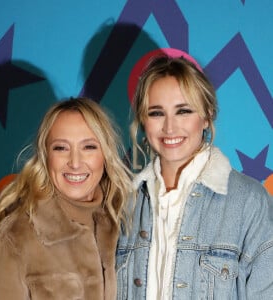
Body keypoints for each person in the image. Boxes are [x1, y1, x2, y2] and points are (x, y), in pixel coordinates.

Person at [116, 54, 273, 299]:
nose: (169, 127)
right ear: (143, 120)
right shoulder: (124, 203)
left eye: (183, 111)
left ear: (207, 115)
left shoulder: (249, 201)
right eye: (157, 113)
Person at [0, 97, 132, 299]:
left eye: (89, 147)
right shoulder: (13, 239)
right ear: (45, 155)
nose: (75, 162)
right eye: (61, 148)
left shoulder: (122, 229)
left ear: (106, 154)